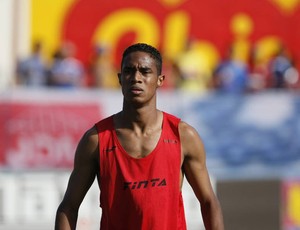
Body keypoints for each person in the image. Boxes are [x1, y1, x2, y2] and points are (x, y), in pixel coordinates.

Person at [55, 43, 224, 230]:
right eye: (129, 71)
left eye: (145, 71)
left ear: (160, 80)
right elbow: (68, 207)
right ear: (120, 78)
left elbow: (209, 202)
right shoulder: (96, 140)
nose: (136, 78)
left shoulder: (183, 136)